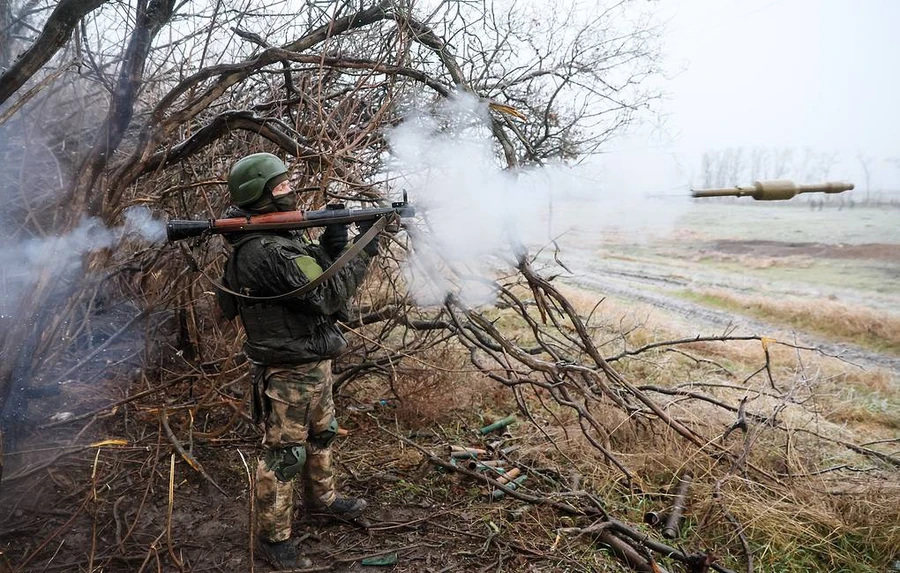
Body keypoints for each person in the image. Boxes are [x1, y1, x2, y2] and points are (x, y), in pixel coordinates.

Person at [216, 152, 380, 569]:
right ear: (260, 196)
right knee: (284, 454)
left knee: (322, 434)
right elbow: (327, 296)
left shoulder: (278, 240)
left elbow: (311, 284)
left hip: (310, 360)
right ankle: (273, 538)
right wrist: (364, 249)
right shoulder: (266, 250)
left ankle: (322, 501)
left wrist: (334, 243)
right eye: (282, 186)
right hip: (290, 370)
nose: (292, 190)